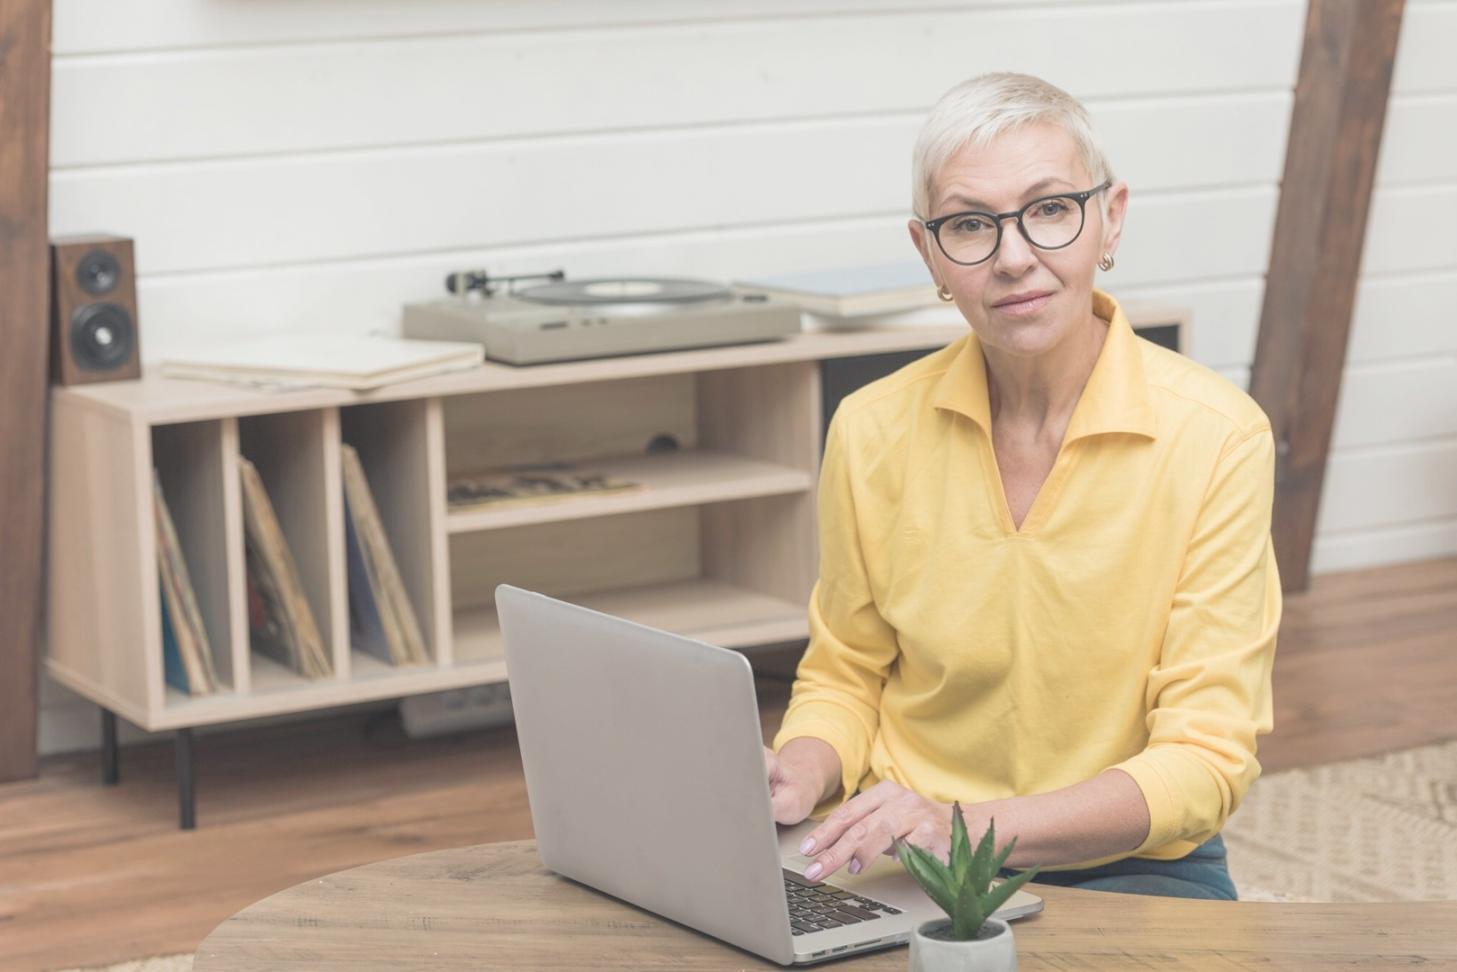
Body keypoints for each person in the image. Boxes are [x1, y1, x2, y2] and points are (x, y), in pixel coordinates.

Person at [764, 73, 1280, 900]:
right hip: (898, 845)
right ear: (927, 250)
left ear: (1109, 218)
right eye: (968, 224)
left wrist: (964, 824)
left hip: (1125, 859)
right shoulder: (869, 428)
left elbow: (1204, 759)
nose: (1012, 257)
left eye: (1048, 210)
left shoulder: (1218, 437)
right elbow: (847, 674)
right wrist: (801, 768)